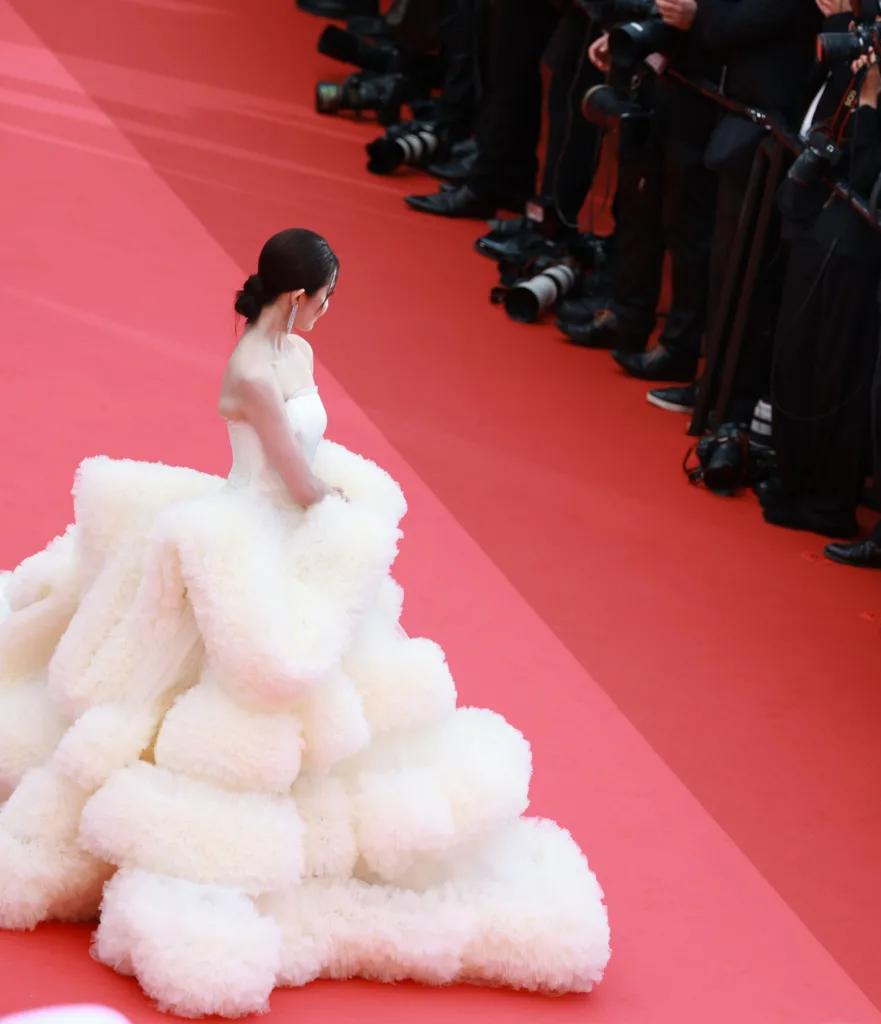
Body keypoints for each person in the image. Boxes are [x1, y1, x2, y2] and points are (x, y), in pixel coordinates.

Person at [0, 230, 610, 1018]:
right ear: (300, 296)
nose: (330, 309)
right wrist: (343, 518)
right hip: (253, 531)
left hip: (289, 523)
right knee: (251, 678)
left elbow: (307, 461)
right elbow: (289, 469)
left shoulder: (295, 353)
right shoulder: (251, 370)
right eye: (329, 295)